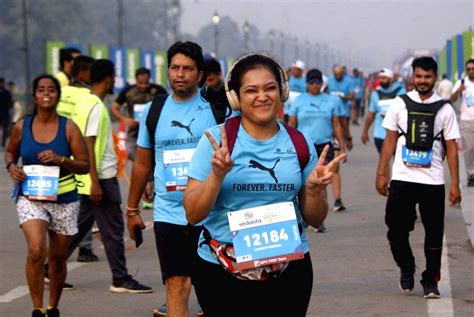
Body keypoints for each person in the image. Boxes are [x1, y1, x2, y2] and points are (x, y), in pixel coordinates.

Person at [183, 53, 345, 316]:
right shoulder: (216, 141)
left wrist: (314, 191)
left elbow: (315, 218)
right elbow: (192, 214)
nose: (262, 96)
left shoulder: (299, 143)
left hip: (289, 273)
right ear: (235, 97)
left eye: (270, 88)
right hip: (220, 273)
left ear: (282, 91)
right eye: (251, 90)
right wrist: (216, 175)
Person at [126, 41, 213, 317]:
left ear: (199, 74)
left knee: (212, 291)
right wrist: (132, 209)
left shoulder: (217, 109)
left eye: (188, 68)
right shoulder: (154, 110)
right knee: (176, 285)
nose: (180, 74)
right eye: (175, 67)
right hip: (169, 213)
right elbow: (142, 162)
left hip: (212, 214)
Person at [55, 59, 153, 294]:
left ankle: (51, 268)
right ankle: (120, 278)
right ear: (108, 78)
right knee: (113, 230)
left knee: (79, 227)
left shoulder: (81, 101)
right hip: (101, 177)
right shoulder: (95, 106)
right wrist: (95, 181)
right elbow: (88, 145)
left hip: (91, 177)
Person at [376, 56, 461, 299]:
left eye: (428, 77)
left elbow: (452, 147)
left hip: (433, 181)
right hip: (402, 178)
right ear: (412, 76)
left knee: (434, 234)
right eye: (419, 76)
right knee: (395, 228)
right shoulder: (399, 104)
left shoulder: (445, 109)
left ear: (435, 77)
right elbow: (390, 139)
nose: (423, 81)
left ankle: (430, 280)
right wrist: (382, 173)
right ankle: (406, 266)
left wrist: (455, 183)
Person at [5, 75, 89, 317]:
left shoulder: (69, 127)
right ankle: (37, 309)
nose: (46, 93)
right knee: (36, 249)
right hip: (31, 198)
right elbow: (11, 151)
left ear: (57, 96)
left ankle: (53, 307)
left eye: (51, 90)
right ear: (34, 96)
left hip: (65, 200)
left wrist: (60, 159)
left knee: (58, 258)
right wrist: (11, 167)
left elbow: (84, 165)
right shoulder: (23, 125)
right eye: (41, 89)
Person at [288, 68, 346, 233]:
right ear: (307, 83)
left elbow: (336, 124)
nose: (315, 85)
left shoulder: (331, 101)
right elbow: (291, 124)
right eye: (312, 82)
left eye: (318, 82)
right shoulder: (299, 101)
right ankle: (304, 215)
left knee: (322, 181)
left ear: (322, 83)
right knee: (302, 181)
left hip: (324, 146)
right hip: (303, 145)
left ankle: (319, 218)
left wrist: (342, 144)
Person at [56, 55, 99, 264]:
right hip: (80, 158)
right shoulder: (89, 98)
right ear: (83, 73)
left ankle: (79, 249)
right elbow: (89, 138)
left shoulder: (60, 93)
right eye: (91, 71)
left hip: (58, 157)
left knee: (72, 210)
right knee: (81, 208)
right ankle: (76, 251)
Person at [110, 67, 167, 162]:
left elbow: (168, 107)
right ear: (136, 80)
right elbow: (114, 107)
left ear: (149, 79)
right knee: (137, 159)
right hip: (134, 133)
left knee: (154, 160)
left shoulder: (159, 90)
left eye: (146, 83)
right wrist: (124, 119)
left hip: (154, 132)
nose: (143, 86)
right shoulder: (128, 91)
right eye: (140, 83)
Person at [361, 68, 406, 154]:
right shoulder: (376, 94)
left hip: (397, 134)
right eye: (380, 78)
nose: (381, 80)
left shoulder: (401, 91)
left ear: (391, 79)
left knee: (397, 161)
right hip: (380, 134)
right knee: (384, 160)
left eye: (384, 78)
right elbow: (371, 114)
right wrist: (365, 131)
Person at [451, 58, 474, 187]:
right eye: (469, 69)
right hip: (467, 121)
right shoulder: (462, 82)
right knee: (469, 149)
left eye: (473, 69)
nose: (471, 71)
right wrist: (459, 89)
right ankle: (471, 174)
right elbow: (452, 99)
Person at [0, 77, 13, 147]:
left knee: (5, 130)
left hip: (5, 114)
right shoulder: (7, 92)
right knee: (4, 130)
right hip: (5, 113)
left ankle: (3, 144)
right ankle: (2, 144)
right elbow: (11, 103)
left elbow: (11, 103)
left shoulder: (7, 92)